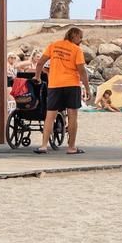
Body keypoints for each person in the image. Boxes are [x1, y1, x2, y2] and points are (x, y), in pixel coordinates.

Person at [34, 26, 88, 154]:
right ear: (74, 36)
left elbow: (40, 63)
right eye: (80, 37)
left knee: (50, 116)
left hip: (55, 85)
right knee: (72, 116)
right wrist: (87, 88)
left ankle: (43, 146)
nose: (81, 40)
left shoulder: (54, 45)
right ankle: (71, 147)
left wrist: (37, 77)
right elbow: (82, 71)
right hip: (72, 85)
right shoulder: (77, 50)